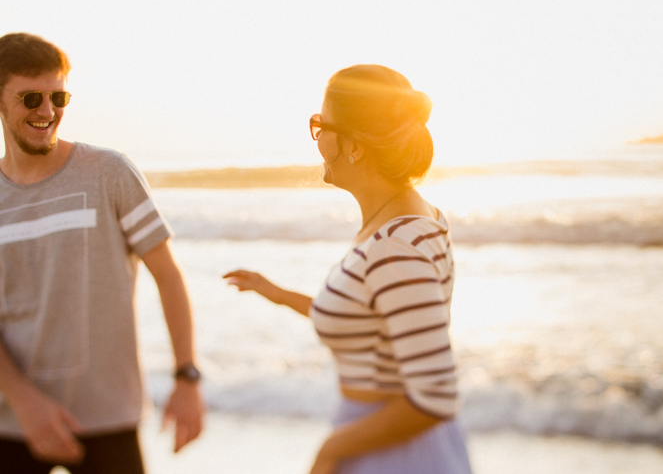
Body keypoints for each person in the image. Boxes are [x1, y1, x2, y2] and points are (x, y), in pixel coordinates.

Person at [224, 65, 473, 473]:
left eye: (321, 125)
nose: (317, 138)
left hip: (396, 452)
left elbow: (436, 395)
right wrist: (281, 295)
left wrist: (332, 450)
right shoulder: (404, 221)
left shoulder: (395, 247)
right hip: (385, 440)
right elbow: (374, 318)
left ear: (355, 145)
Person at [0, 33, 204, 473]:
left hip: (110, 418)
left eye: (59, 97)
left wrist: (187, 376)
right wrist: (25, 402)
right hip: (14, 423)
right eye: (30, 98)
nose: (48, 111)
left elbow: (167, 275)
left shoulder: (109, 173)